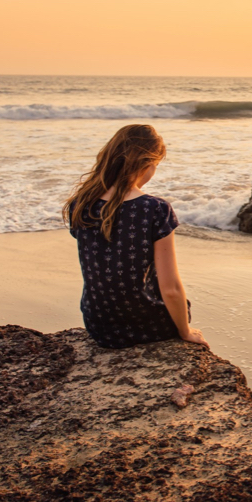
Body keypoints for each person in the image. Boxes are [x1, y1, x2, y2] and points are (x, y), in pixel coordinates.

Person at [63, 124, 209, 350]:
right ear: (147, 164)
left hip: (100, 325)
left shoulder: (81, 203)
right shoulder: (155, 208)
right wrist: (185, 331)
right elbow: (170, 288)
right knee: (182, 305)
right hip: (147, 325)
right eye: (156, 165)